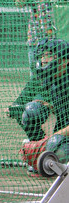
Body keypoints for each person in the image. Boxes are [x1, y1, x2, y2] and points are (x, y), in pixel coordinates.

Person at [9, 38, 69, 175]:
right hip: (62, 130)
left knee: (56, 145)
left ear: (65, 61)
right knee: (31, 111)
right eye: (43, 56)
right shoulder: (50, 77)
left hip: (62, 133)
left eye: (51, 56)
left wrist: (46, 141)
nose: (44, 60)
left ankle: (50, 158)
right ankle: (41, 158)